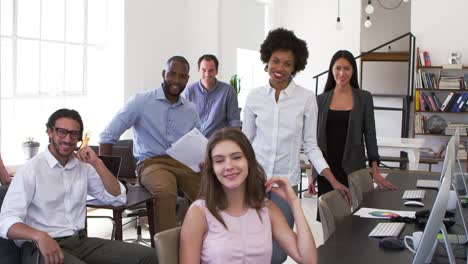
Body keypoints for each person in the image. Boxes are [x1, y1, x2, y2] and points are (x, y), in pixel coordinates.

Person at [242, 27, 350, 263]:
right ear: (266, 60)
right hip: (252, 182)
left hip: (284, 184)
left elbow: (311, 146)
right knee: (249, 245)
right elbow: (245, 143)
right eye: (275, 61)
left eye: (287, 64)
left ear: (295, 67)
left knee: (279, 252)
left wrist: (333, 180)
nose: (279, 68)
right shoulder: (254, 97)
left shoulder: (305, 98)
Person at [0, 108, 157, 264]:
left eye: (74, 134)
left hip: (79, 242)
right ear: (49, 132)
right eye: (62, 132)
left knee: (148, 256)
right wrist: (39, 236)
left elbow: (118, 199)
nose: (68, 139)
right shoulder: (30, 170)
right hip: (40, 246)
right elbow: (6, 221)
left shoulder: (83, 167)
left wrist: (97, 162)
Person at [179, 128, 317, 264]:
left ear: (249, 161)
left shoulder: (267, 209)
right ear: (212, 169)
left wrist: (294, 202)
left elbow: (308, 260)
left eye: (237, 157)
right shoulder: (199, 212)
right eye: (219, 161)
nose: (229, 166)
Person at [99, 56, 201, 233]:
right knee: (165, 191)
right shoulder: (140, 102)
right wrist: (106, 177)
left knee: (212, 190)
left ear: (187, 79)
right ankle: (166, 253)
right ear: (163, 74)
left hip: (183, 163)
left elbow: (198, 141)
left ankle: (188, 235)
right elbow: (107, 136)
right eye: (172, 74)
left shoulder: (190, 109)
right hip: (152, 163)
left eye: (182, 76)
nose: (176, 80)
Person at [311, 50, 397, 200]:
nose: (342, 73)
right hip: (327, 169)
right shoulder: (320, 100)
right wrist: (313, 172)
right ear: (331, 70)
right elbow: (315, 140)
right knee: (329, 217)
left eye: (347, 68)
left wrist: (375, 170)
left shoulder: (364, 98)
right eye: (338, 68)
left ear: (353, 71)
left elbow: (370, 135)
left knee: (355, 217)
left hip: (353, 166)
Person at [184, 54, 241, 138]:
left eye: (211, 70)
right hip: (194, 141)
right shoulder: (189, 91)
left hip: (218, 142)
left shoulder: (228, 91)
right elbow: (185, 121)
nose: (207, 74)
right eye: (204, 70)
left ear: (216, 71)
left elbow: (234, 123)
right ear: (198, 70)